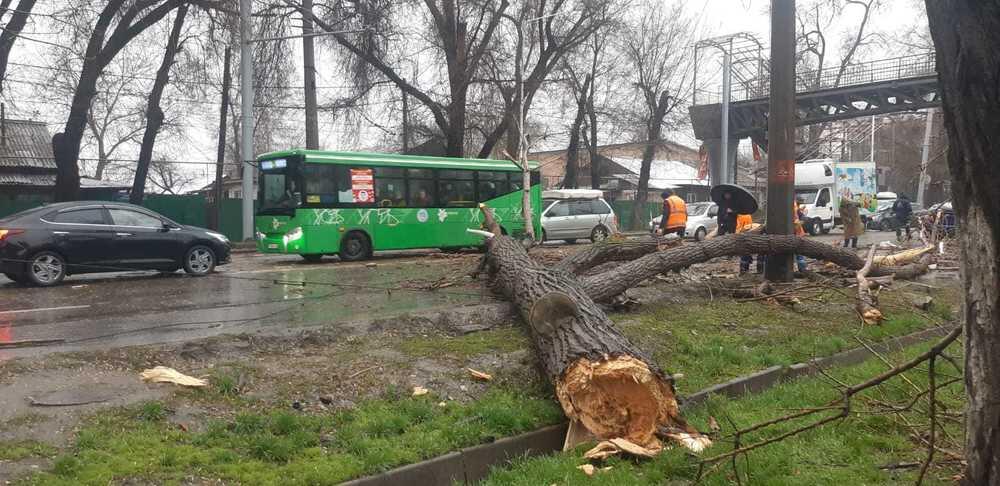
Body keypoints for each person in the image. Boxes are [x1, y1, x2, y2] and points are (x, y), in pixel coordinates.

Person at [793, 197, 808, 272]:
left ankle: (802, 269)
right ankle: (801, 269)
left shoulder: (794, 206)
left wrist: (801, 221)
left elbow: (803, 217)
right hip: (794, 233)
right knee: (799, 253)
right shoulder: (794, 206)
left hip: (797, 232)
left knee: (799, 253)